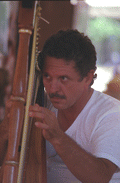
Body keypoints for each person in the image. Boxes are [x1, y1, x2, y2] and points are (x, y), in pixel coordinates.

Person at [28, 29, 120, 183]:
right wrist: (7, 126)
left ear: (88, 78)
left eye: (63, 78)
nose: (52, 88)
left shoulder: (111, 114)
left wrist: (57, 136)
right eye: (47, 76)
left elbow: (100, 177)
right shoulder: (40, 103)